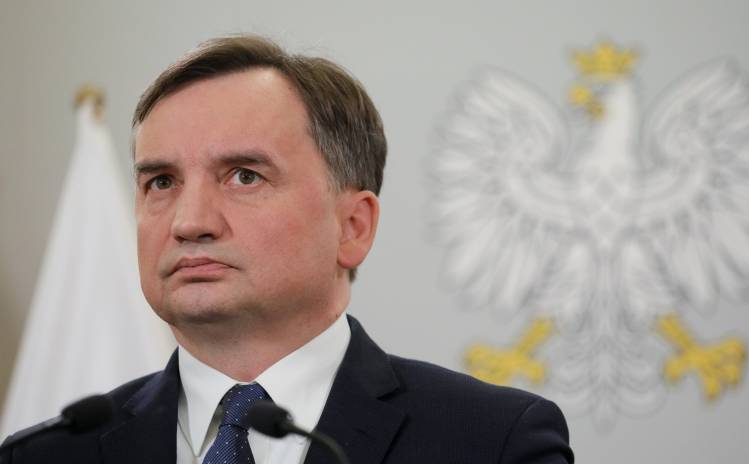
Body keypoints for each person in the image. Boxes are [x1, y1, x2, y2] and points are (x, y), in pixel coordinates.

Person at [1, 34, 573, 463]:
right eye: (161, 182)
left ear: (353, 227)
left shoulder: (492, 442)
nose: (189, 222)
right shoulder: (47, 454)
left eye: (244, 176)